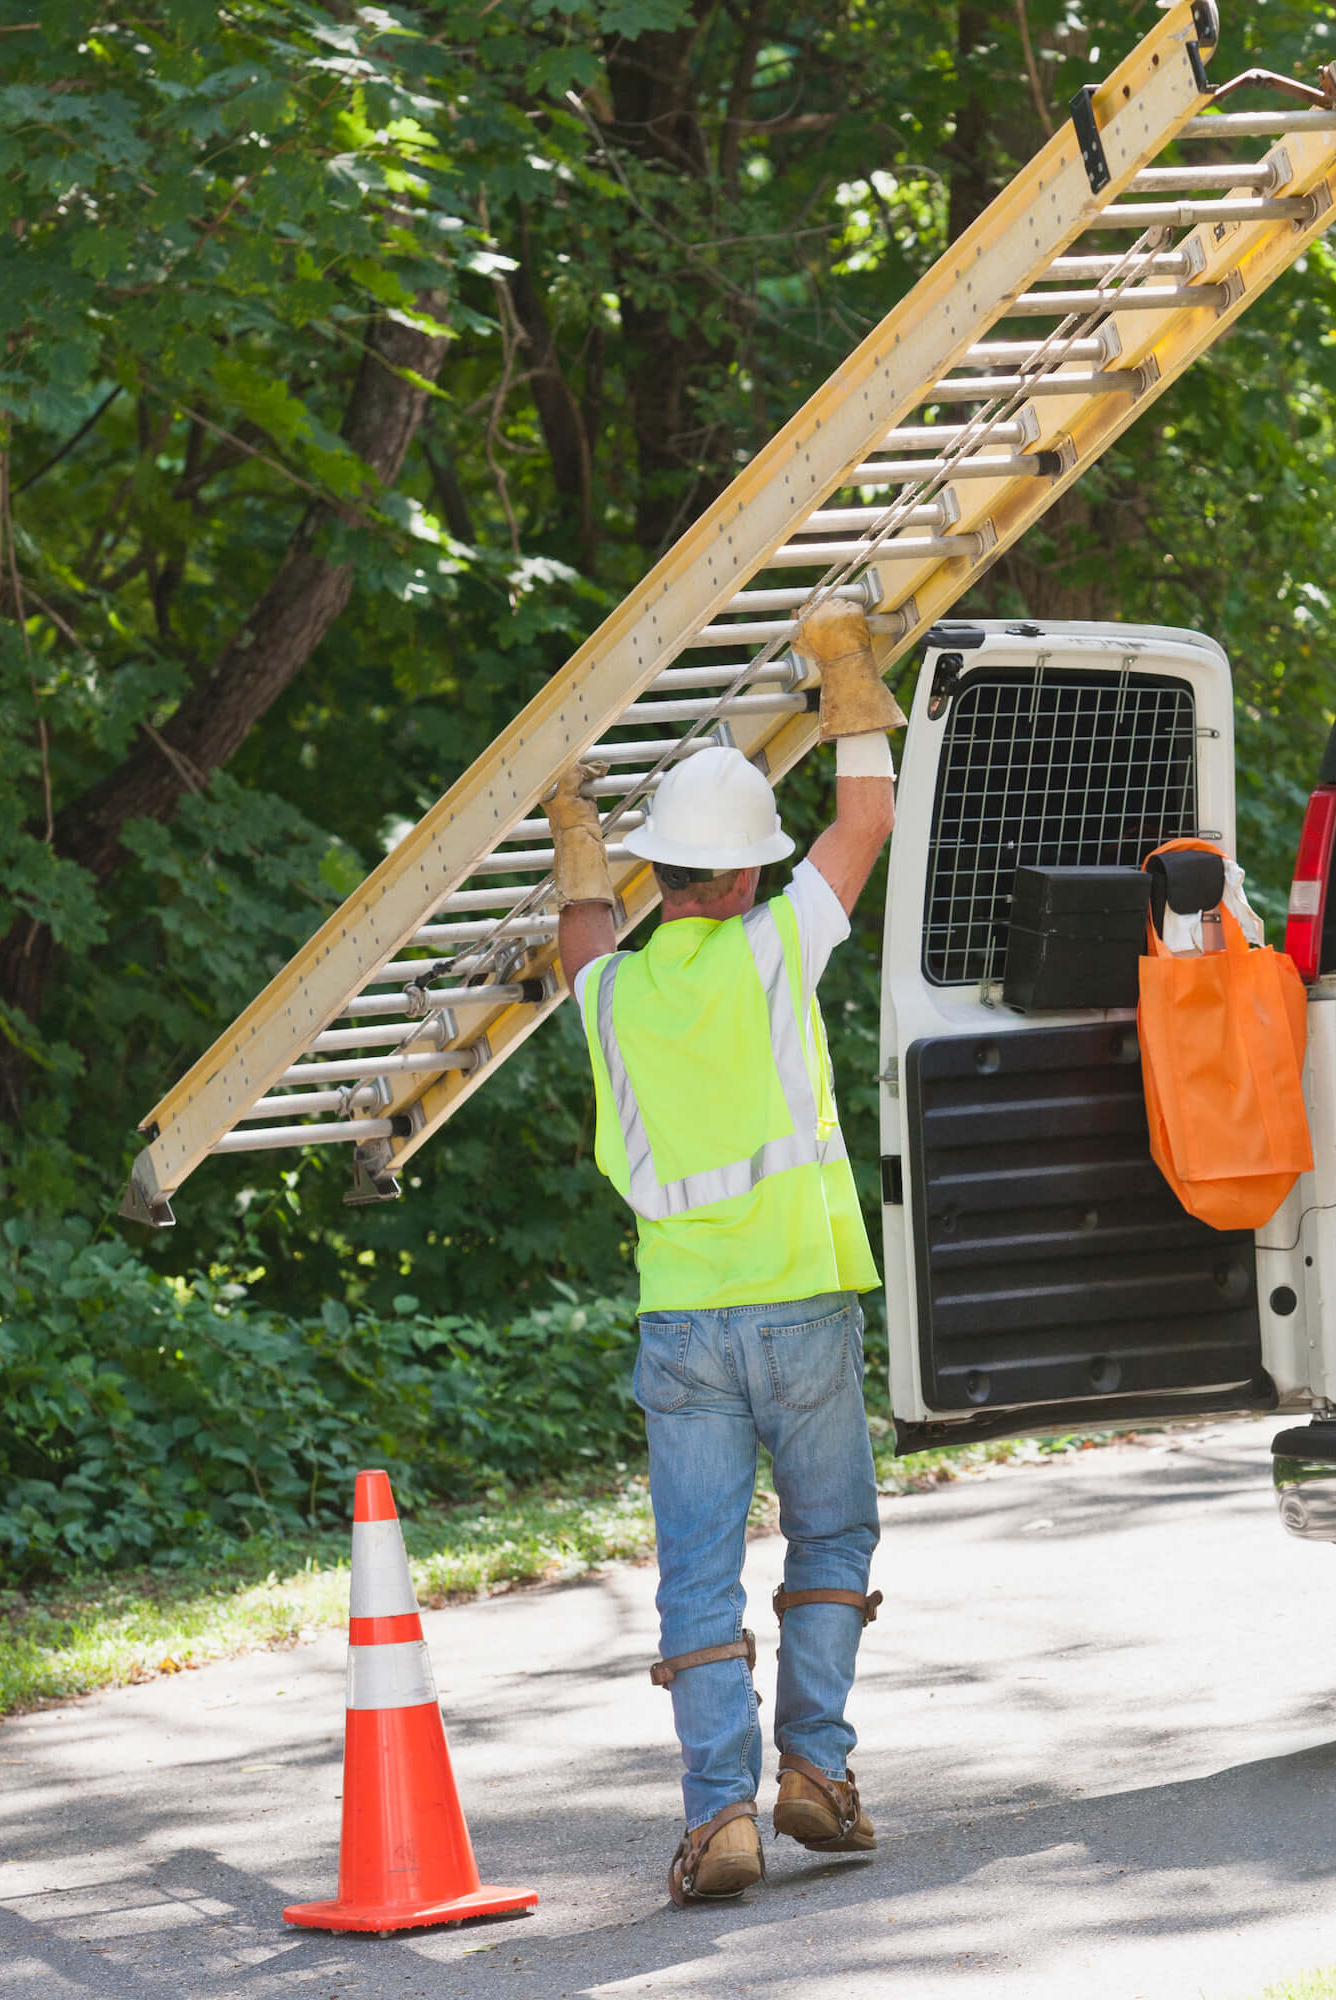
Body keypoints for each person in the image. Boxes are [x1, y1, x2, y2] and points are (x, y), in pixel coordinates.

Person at [544, 599, 906, 1905]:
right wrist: (844, 672)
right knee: (831, 1543)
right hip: (803, 1306)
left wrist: (571, 820)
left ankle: (721, 1821)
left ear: (660, 876)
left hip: (682, 1324)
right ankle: (815, 1770)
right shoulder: (775, 949)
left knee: (698, 1571)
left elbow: (584, 929)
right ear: (748, 874)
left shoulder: (619, 992)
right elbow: (861, 820)